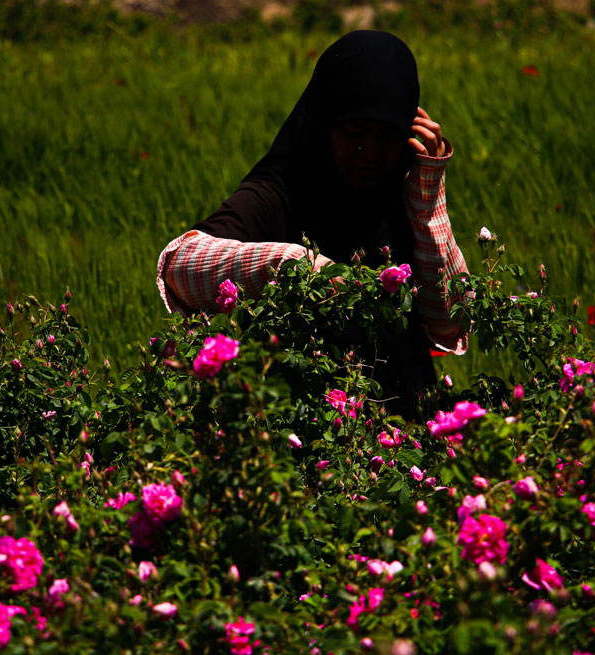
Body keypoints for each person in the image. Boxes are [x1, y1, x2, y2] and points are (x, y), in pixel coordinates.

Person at [155, 30, 469, 415]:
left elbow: (449, 324)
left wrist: (428, 194)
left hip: (402, 447)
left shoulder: (404, 193)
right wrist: (301, 272)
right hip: (296, 436)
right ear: (324, 124)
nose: (369, 153)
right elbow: (178, 264)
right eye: (353, 133)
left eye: (387, 137)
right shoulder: (279, 193)